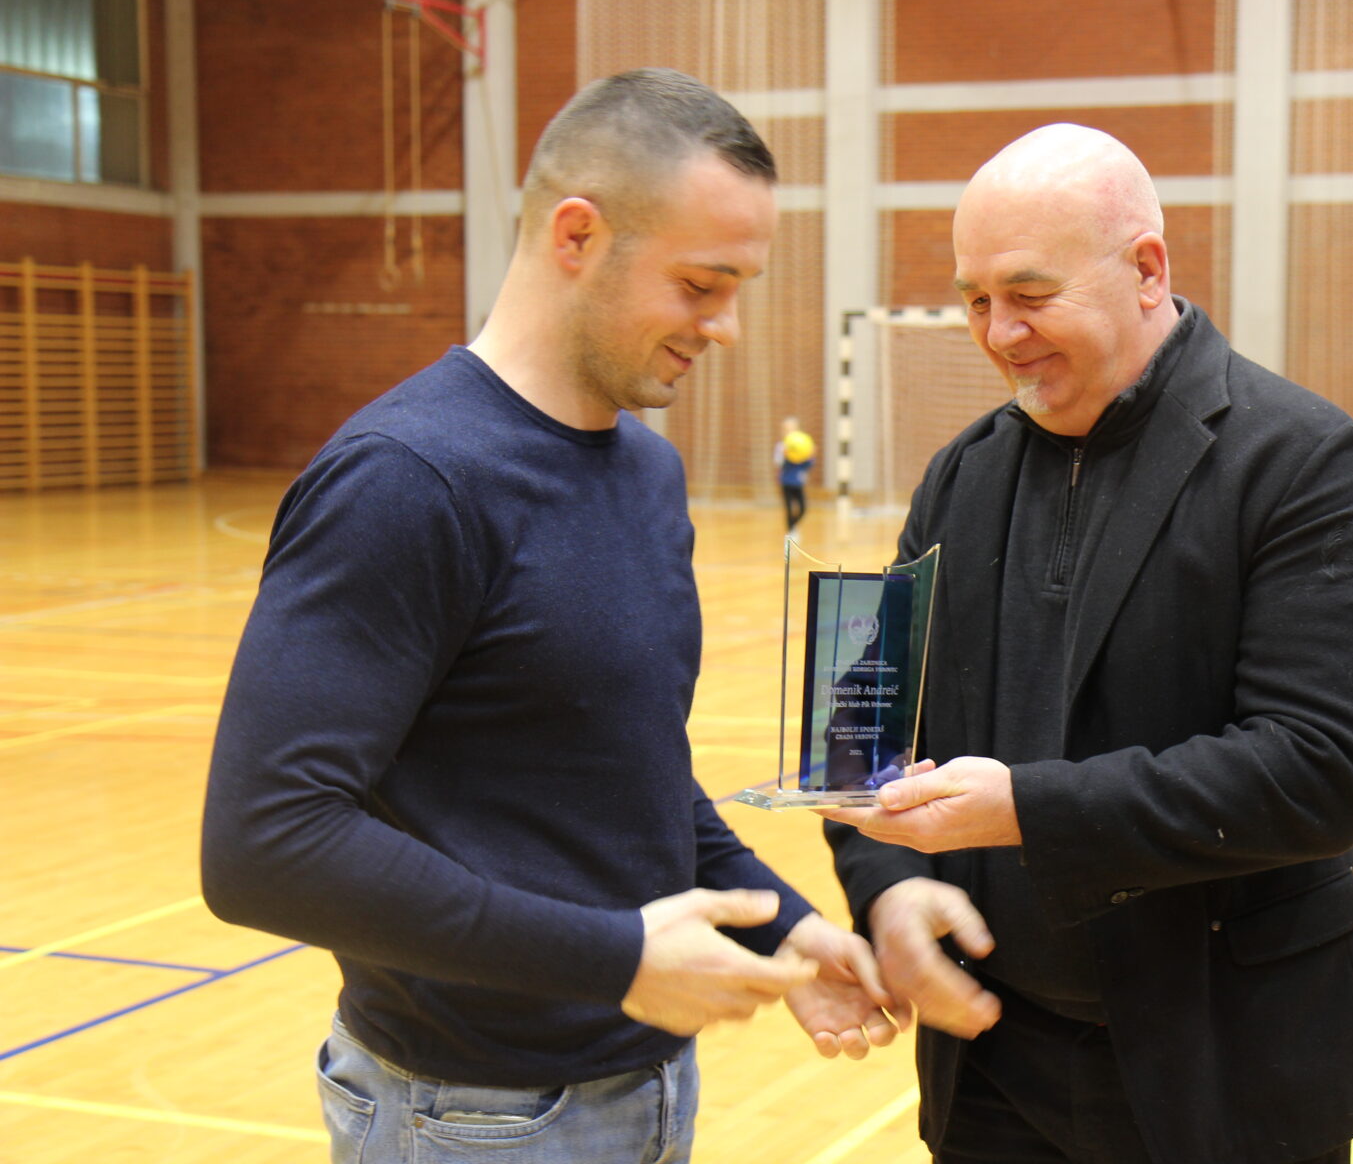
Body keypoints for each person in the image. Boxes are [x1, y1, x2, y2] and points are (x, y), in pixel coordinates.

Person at [201, 69, 897, 1164]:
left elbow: (630, 779)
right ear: (577, 235)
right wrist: (617, 958)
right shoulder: (407, 478)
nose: (726, 328)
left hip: (650, 1091)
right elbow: (265, 844)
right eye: (701, 284)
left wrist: (786, 924)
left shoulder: (648, 474)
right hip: (469, 1120)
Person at [820, 124, 1353, 1164]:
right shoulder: (960, 474)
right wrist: (890, 886)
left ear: (1146, 269)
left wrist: (1023, 808)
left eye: (1029, 293)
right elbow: (865, 729)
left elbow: (1315, 772)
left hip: (1224, 1068)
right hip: (993, 1069)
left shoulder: (1305, 461)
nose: (999, 332)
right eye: (975, 299)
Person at [777, 415, 815, 537]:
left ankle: (793, 526)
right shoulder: (781, 446)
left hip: (798, 482)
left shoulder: (804, 445)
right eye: (786, 429)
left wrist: (810, 456)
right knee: (789, 508)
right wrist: (786, 456)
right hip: (786, 482)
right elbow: (779, 463)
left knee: (803, 508)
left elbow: (807, 465)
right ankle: (790, 532)